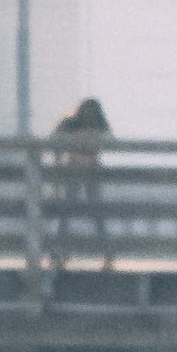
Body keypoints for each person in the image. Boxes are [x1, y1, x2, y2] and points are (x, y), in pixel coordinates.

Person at [53, 98, 110, 251]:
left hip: (81, 169)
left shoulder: (70, 124)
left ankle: (60, 250)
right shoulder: (98, 125)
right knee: (92, 211)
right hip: (86, 169)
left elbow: (55, 140)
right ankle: (105, 251)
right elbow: (110, 140)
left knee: (71, 211)